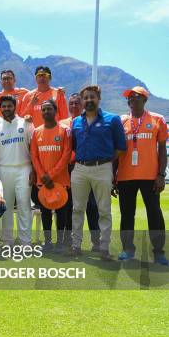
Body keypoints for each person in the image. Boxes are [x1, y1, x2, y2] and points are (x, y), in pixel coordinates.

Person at [70, 85, 126, 260]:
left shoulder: (113, 119)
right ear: (82, 101)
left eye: (92, 97)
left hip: (102, 167)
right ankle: (75, 245)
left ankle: (104, 248)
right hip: (80, 168)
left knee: (104, 210)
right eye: (85, 98)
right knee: (77, 209)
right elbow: (73, 146)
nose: (88, 100)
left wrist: (106, 162)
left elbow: (120, 147)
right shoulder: (76, 122)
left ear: (98, 98)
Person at [116, 86, 167, 265]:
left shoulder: (157, 119)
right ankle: (127, 249)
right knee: (127, 214)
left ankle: (159, 251)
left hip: (150, 176)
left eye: (136, 97)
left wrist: (161, 174)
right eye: (129, 98)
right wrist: (114, 176)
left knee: (154, 213)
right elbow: (117, 151)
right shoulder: (121, 121)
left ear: (145, 100)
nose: (132, 100)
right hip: (125, 176)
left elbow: (162, 150)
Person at [0, 95, 34, 245]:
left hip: (24, 168)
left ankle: (25, 241)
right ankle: (7, 241)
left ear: (15, 107)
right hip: (3, 170)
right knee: (4, 207)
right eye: (4, 106)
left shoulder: (26, 123)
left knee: (24, 205)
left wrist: (34, 169)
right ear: (0, 108)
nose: (6, 109)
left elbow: (34, 149)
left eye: (9, 106)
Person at [30, 99, 72, 251]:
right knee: (45, 212)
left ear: (55, 111)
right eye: (44, 109)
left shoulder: (65, 130)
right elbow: (34, 156)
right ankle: (48, 242)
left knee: (61, 213)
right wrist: (42, 175)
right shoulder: (36, 132)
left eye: (49, 109)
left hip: (60, 181)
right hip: (43, 182)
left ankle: (60, 242)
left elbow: (66, 155)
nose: (46, 112)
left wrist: (51, 175)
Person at [61, 92, 101, 250]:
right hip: (67, 170)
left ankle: (96, 242)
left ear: (83, 104)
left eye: (77, 103)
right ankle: (70, 240)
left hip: (86, 167)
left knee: (92, 206)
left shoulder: (90, 121)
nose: (74, 106)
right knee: (70, 206)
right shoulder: (63, 123)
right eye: (71, 103)